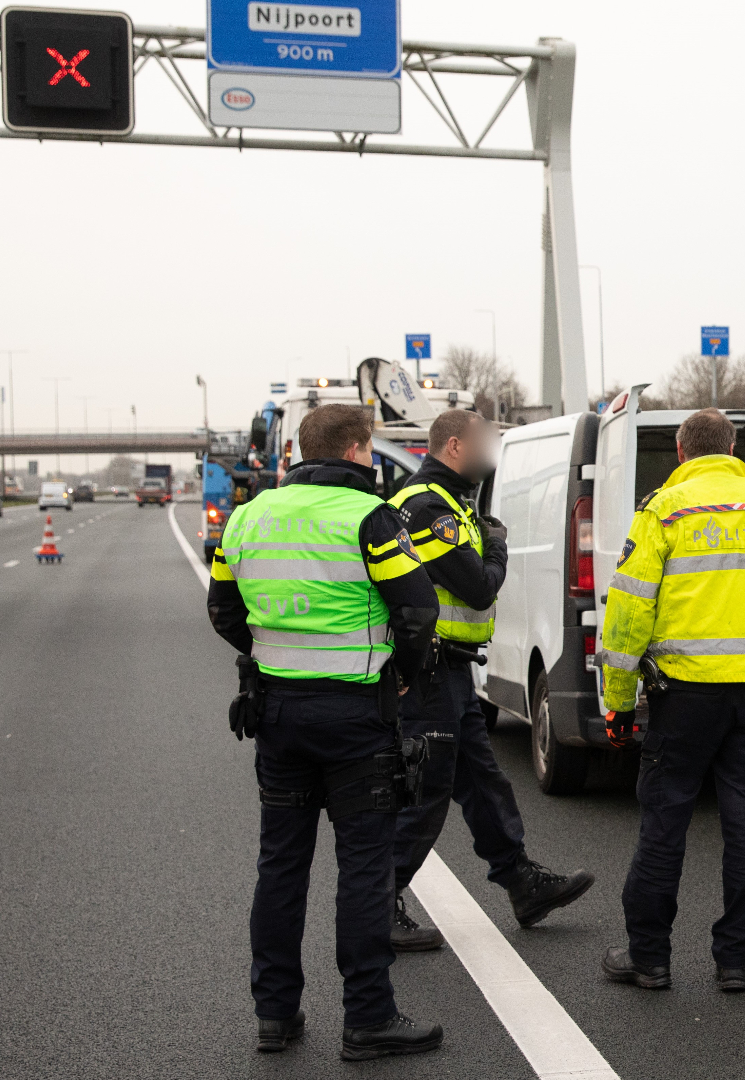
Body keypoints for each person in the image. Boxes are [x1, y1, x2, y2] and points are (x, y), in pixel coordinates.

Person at [208, 403, 446, 1058]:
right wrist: (400, 672)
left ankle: (275, 1016)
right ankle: (368, 1016)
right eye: (371, 451)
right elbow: (419, 610)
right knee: (365, 866)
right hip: (354, 720)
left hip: (278, 715)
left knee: (280, 863)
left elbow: (223, 610)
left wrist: (272, 657)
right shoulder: (369, 518)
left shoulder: (248, 518)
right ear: (357, 450)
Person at [595, 408, 745, 992]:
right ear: (733, 449)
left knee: (665, 820)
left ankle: (649, 958)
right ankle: (735, 961)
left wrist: (618, 700)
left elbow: (626, 614)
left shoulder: (663, 511)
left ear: (680, 452)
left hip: (686, 695)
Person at [385, 408, 594, 952]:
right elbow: (477, 587)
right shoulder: (423, 505)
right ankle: (378, 902)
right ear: (455, 445)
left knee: (483, 782)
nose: (492, 452)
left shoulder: (453, 502)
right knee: (425, 793)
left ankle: (521, 883)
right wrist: (497, 546)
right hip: (427, 672)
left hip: (453, 670)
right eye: (485, 442)